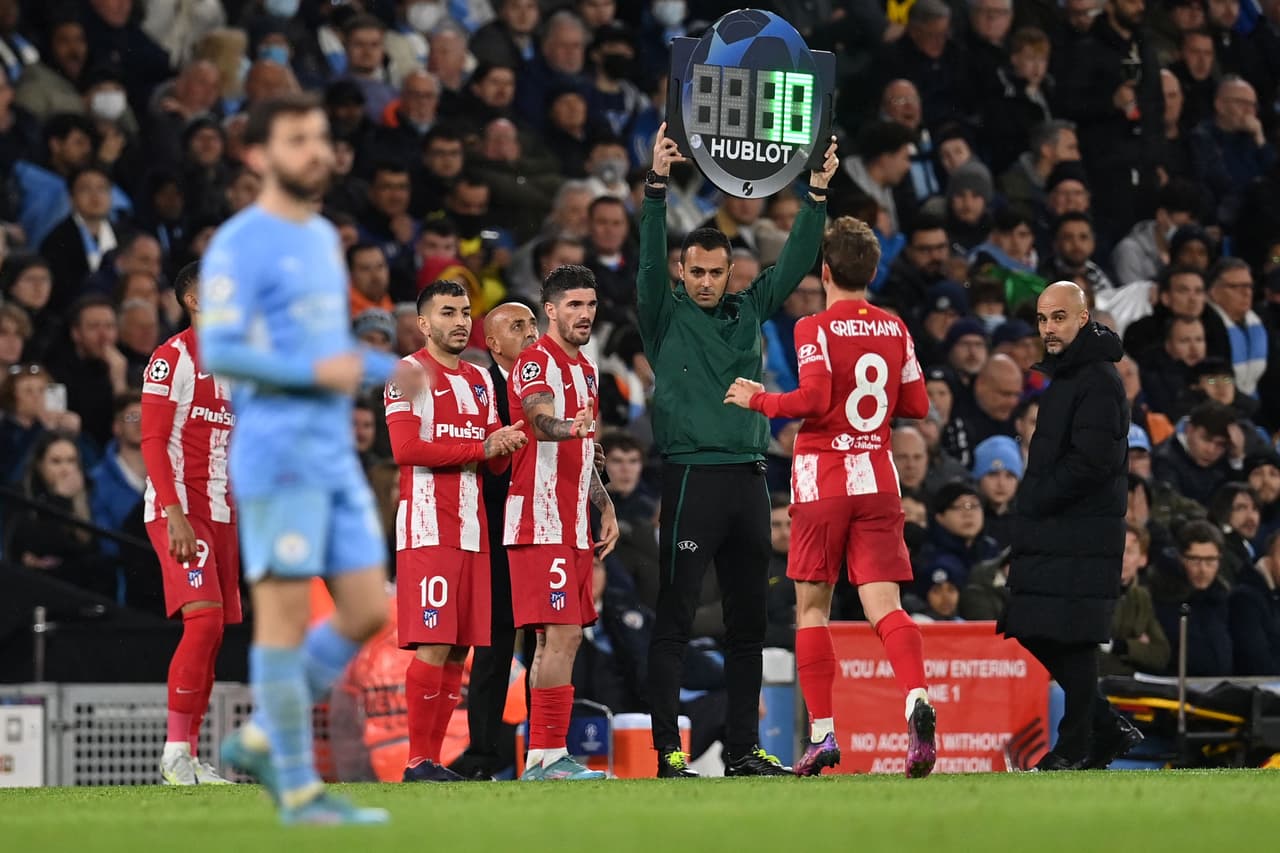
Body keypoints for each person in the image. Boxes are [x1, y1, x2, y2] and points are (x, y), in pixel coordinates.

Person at [199, 94, 412, 826]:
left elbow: (320, 349)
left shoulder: (324, 237)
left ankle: (262, 735)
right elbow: (219, 348)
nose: (316, 150)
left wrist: (368, 364)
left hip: (333, 454)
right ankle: (295, 790)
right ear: (258, 155)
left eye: (321, 137)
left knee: (368, 608)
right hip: (278, 451)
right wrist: (313, 374)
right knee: (283, 623)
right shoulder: (239, 242)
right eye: (297, 139)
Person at [638, 123, 836, 779]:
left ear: (730, 272)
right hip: (692, 477)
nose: (704, 281)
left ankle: (746, 749)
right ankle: (669, 753)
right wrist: (656, 191)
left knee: (748, 624)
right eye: (694, 271)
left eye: (715, 272)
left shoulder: (750, 310)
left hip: (751, 481)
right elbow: (644, 263)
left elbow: (798, 262)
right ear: (680, 270)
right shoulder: (662, 314)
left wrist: (815, 195)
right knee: (675, 618)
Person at [725, 215, 936, 779]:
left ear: (824, 272)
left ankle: (822, 734)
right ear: (872, 270)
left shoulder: (813, 327)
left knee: (812, 608)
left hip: (823, 480)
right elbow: (916, 406)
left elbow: (813, 400)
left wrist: (760, 402)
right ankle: (916, 696)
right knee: (885, 606)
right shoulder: (896, 330)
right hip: (879, 478)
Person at [384, 280, 528, 783]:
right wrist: (482, 450)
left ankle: (432, 762)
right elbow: (406, 449)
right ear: (424, 324)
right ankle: (416, 760)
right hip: (429, 528)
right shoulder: (407, 373)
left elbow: (489, 463)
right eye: (448, 312)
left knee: (459, 650)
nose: (461, 321)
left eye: (466, 311)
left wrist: (510, 443)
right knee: (434, 644)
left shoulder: (480, 380)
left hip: (474, 532)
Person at [1001, 281, 1142, 771]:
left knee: (1074, 638)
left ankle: (1074, 745)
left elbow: (1092, 462)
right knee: (1030, 625)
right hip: (1060, 530)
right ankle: (1104, 729)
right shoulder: (1070, 375)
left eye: (1059, 317)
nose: (1048, 328)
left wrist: (1035, 496)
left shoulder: (1099, 379)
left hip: (1082, 530)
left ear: (1084, 318)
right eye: (1042, 319)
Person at [505, 264, 619, 782]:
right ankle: (548, 756)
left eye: (590, 305)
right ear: (549, 310)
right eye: (573, 305)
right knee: (562, 636)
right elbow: (538, 418)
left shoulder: (588, 369)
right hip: (538, 517)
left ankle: (543, 758)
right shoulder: (535, 361)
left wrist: (605, 503)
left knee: (557, 641)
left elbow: (587, 447)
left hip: (572, 521)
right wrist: (566, 428)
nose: (584, 314)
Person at [140, 262, 238, 786]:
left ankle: (190, 755)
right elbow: (153, 440)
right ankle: (175, 752)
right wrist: (176, 514)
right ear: (194, 300)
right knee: (202, 622)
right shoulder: (172, 358)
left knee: (215, 631)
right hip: (180, 509)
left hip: (222, 511)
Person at [449, 300, 539, 780]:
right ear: (493, 342)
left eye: (532, 324)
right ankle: (483, 754)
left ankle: (547, 748)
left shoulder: (552, 379)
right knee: (495, 641)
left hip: (547, 526)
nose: (529, 333)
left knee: (550, 638)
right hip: (498, 526)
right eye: (517, 326)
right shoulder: (480, 385)